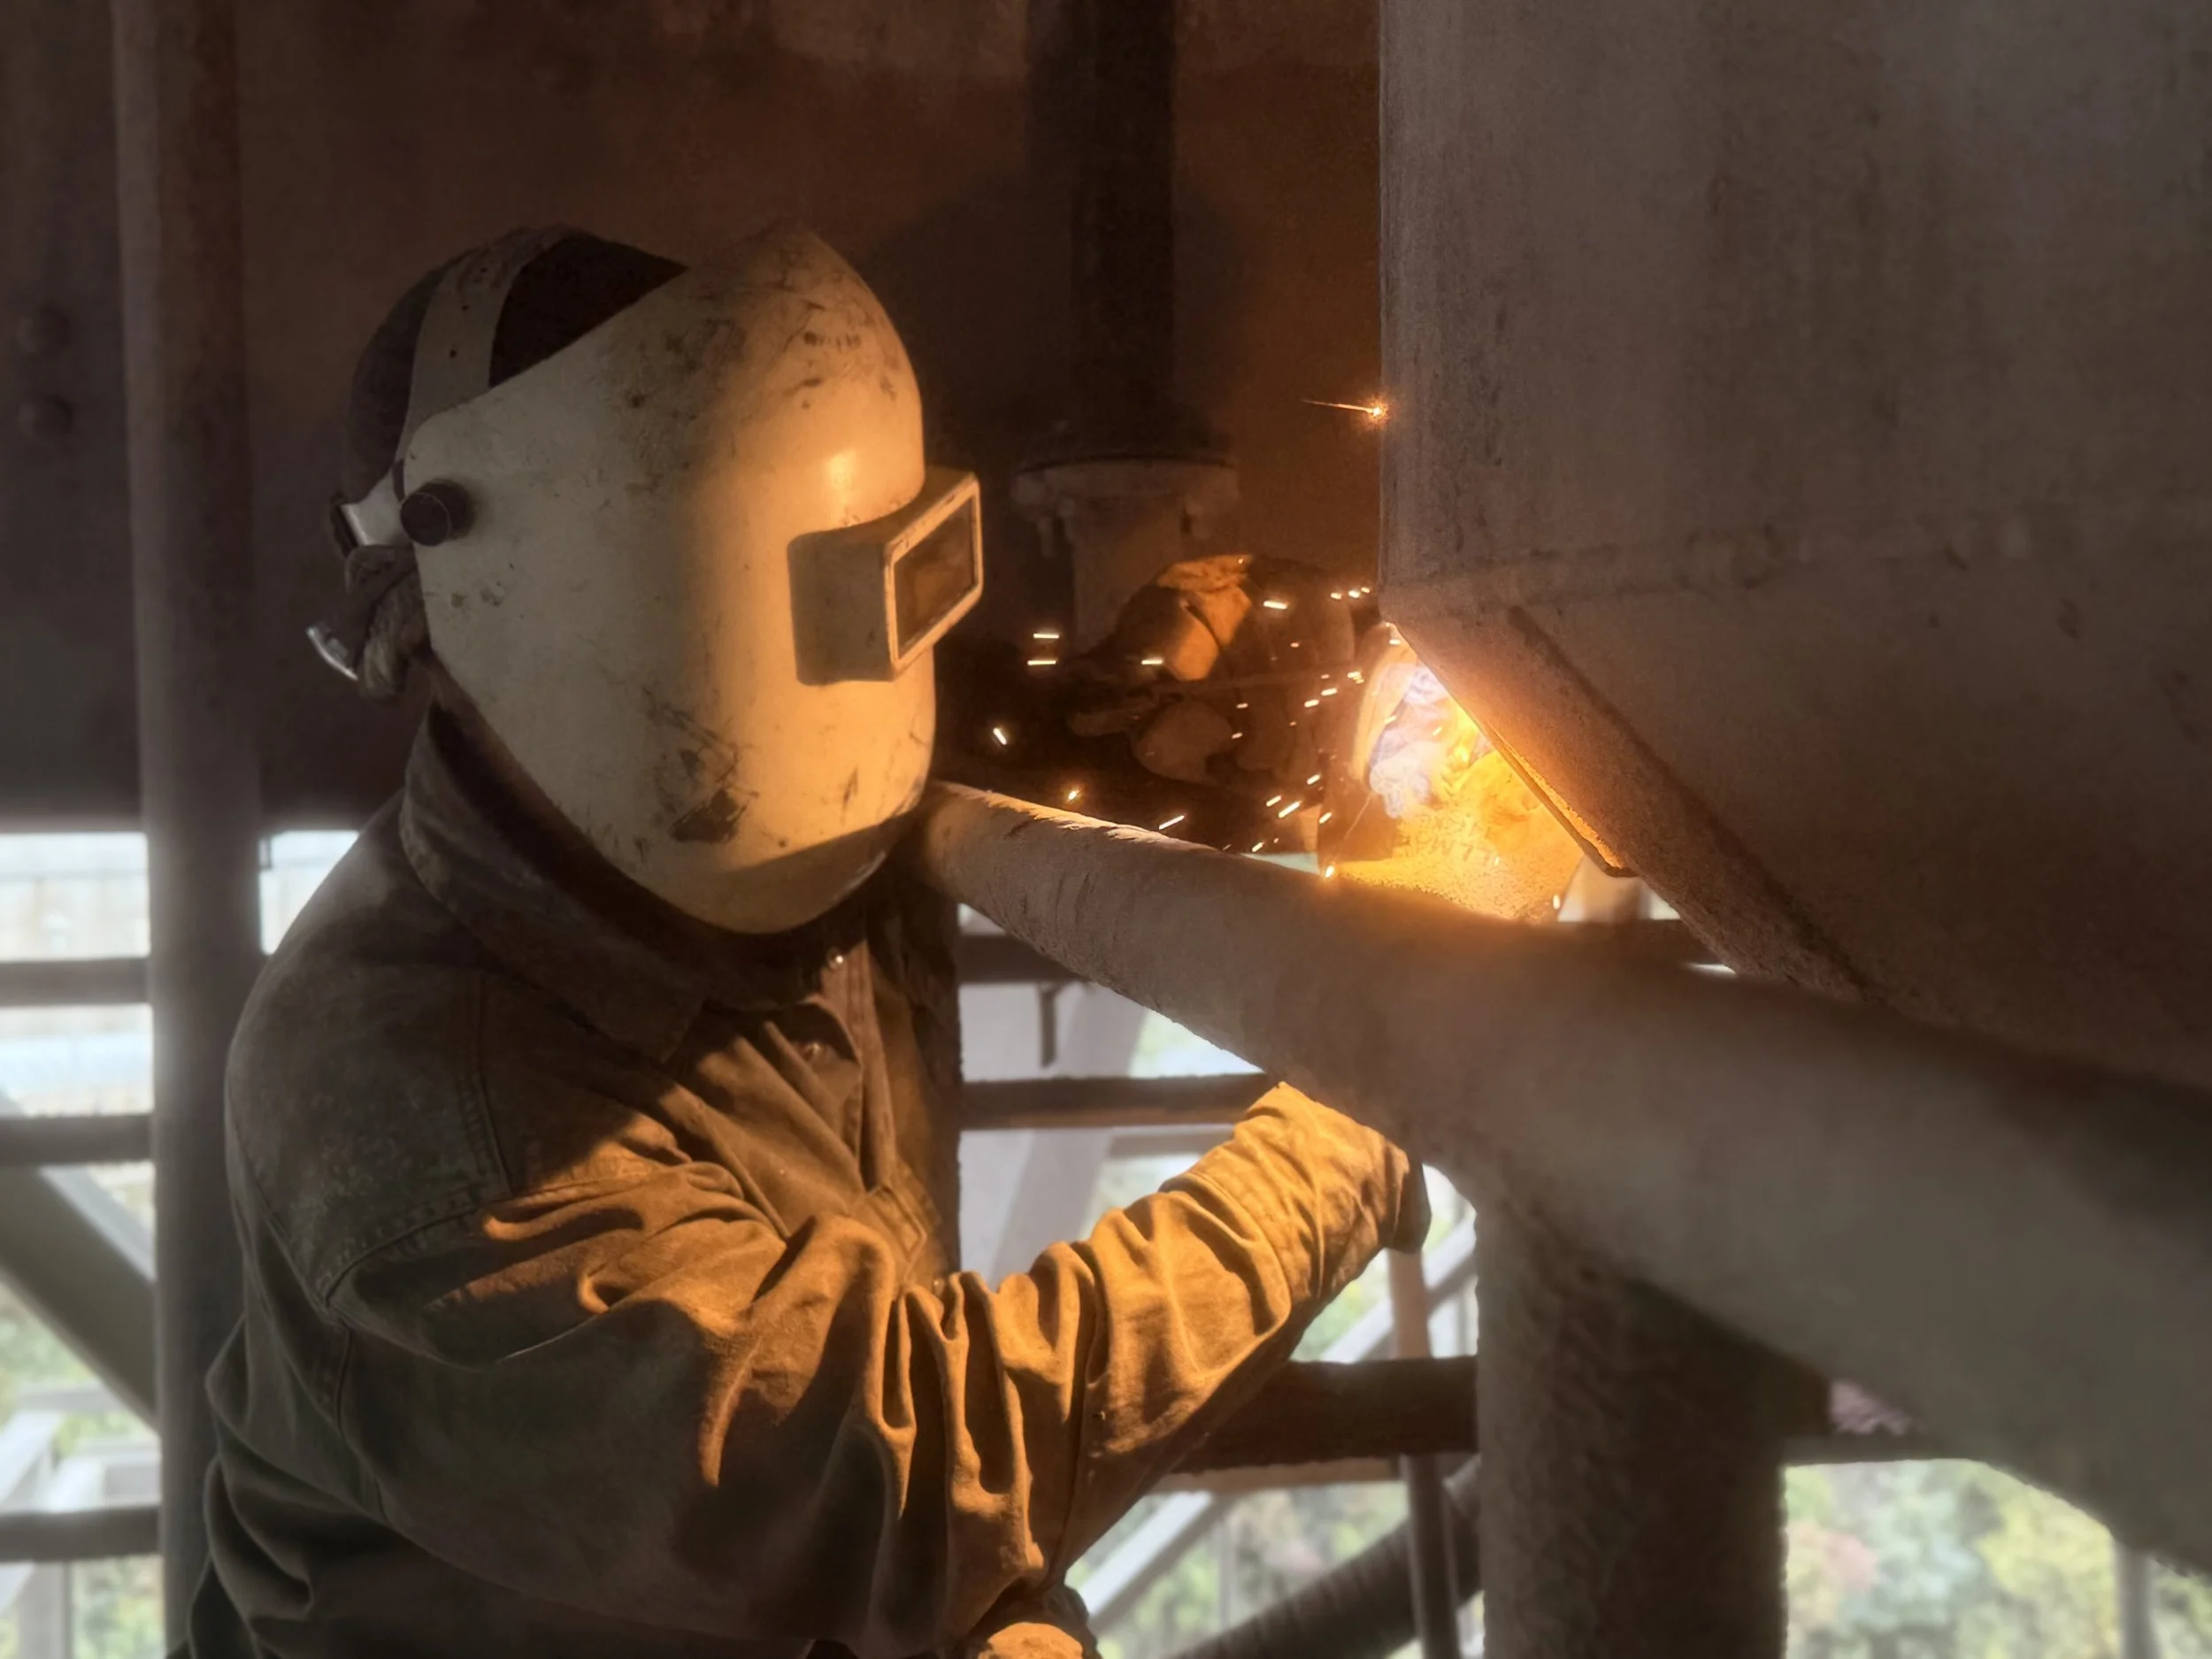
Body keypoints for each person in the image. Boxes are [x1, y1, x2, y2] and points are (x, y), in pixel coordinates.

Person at [189, 224, 1425, 1658]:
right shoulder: (415, 1118)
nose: (851, 670)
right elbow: (903, 1475)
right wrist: (1380, 1085)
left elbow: (1002, 720)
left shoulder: (774, 768)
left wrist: (1179, 709)